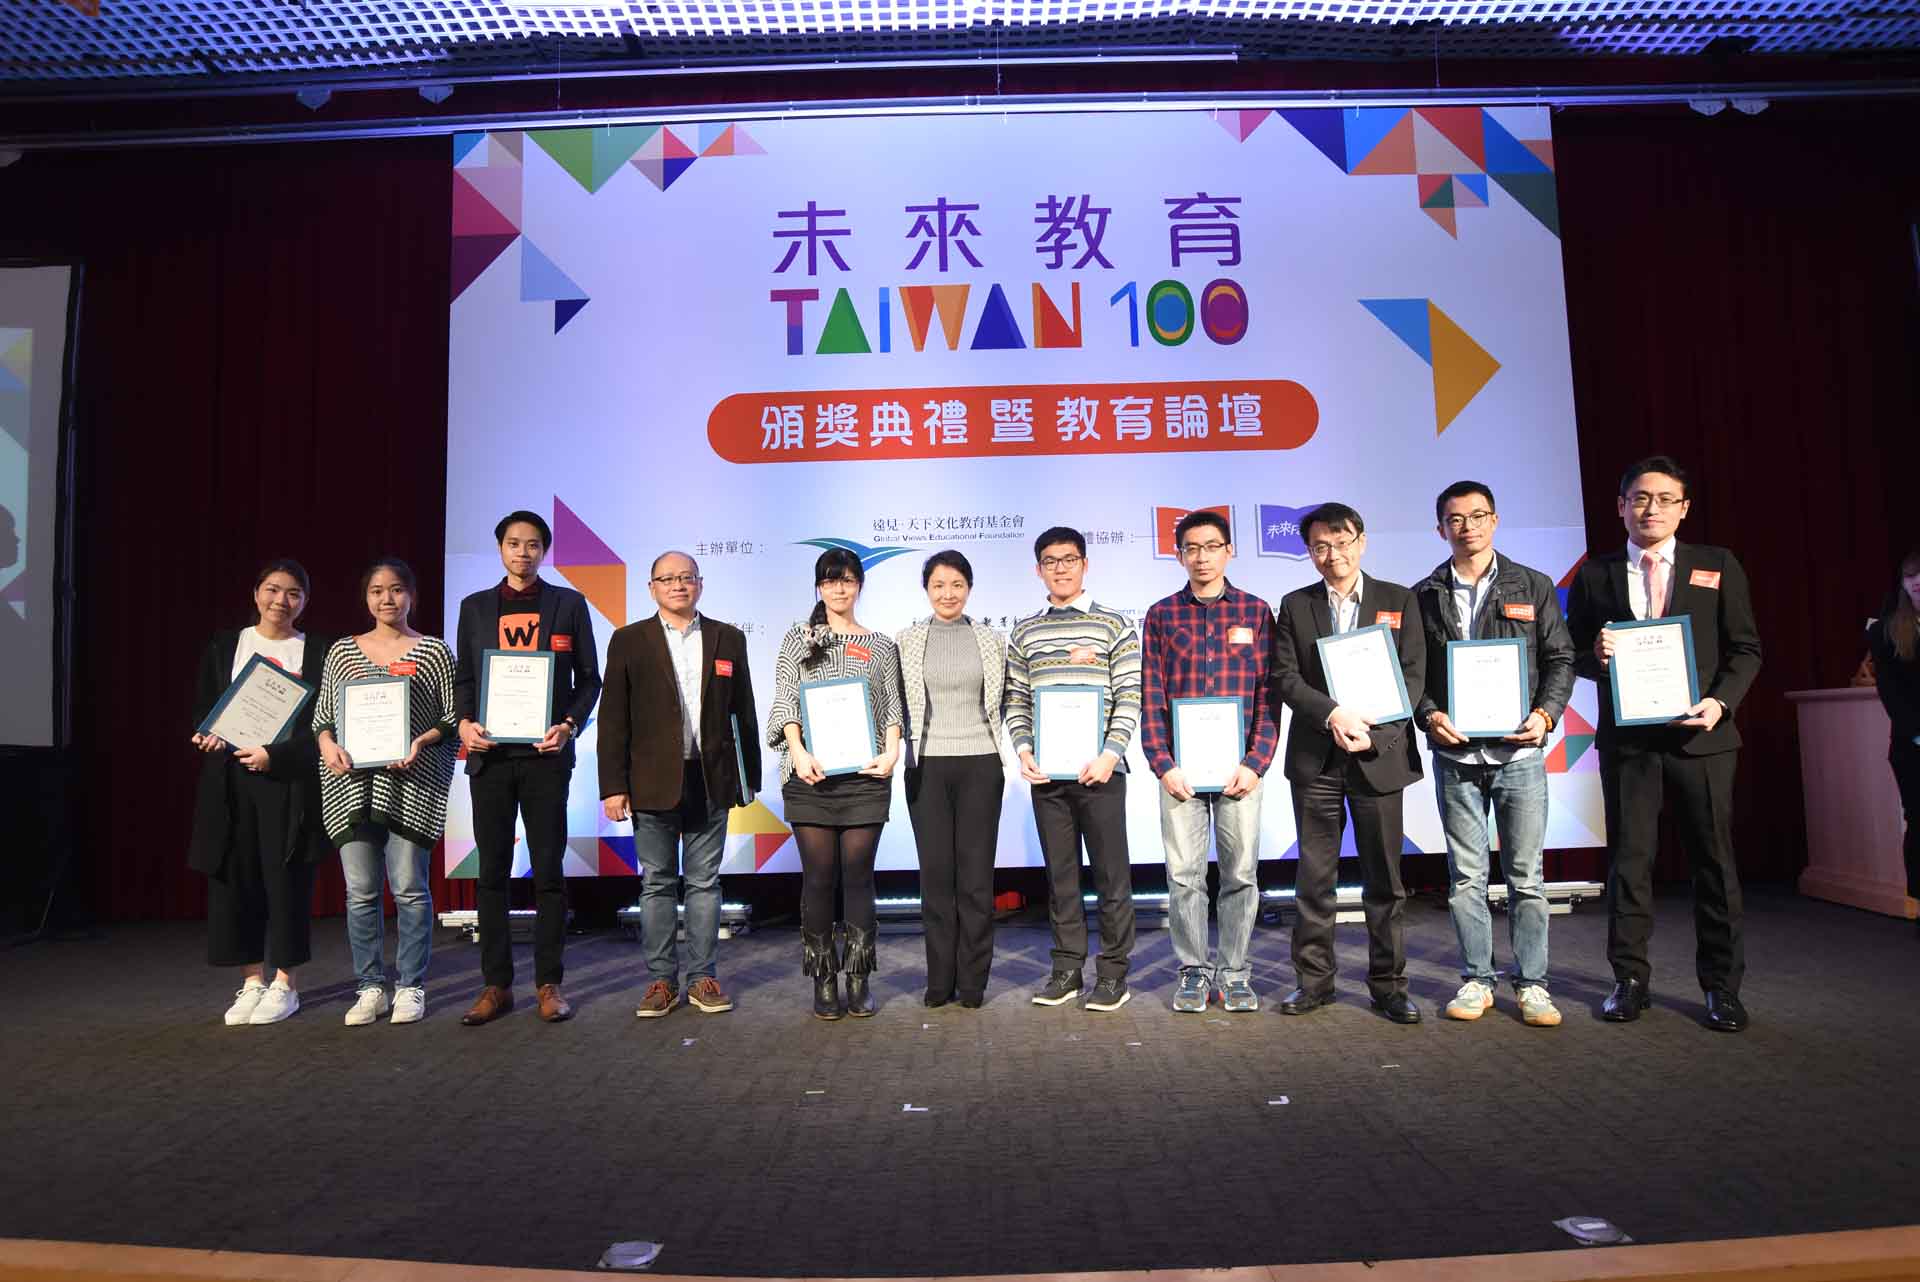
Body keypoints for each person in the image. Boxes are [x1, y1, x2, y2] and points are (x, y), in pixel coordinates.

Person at [1567, 456, 1762, 1032]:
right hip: (1630, 744)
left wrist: (1720, 703)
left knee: (1714, 863)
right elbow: (1571, 653)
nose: (1651, 509)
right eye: (1640, 498)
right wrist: (1593, 657)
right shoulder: (1596, 574)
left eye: (1664, 499)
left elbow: (1745, 648)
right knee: (1629, 863)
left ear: (1684, 508)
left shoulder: (1716, 564)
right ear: (1621, 506)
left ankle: (1722, 987)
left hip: (1703, 739)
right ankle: (1629, 981)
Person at [1413, 482, 1576, 1027]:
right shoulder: (1423, 594)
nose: (1468, 527)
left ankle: (1533, 985)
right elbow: (1413, 673)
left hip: (1519, 755)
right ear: (1440, 528)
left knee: (1526, 876)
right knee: (1466, 878)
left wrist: (1546, 714)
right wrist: (1430, 715)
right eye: (1456, 519)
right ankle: (1477, 979)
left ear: (1496, 521)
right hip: (1456, 757)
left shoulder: (1533, 584)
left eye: (1478, 516)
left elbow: (1560, 658)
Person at [1270, 502, 1426, 1024]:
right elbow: (1285, 677)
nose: (1332, 554)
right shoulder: (1296, 605)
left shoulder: (1398, 599)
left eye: (1341, 542)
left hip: (1377, 757)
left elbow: (1413, 675)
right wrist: (1333, 714)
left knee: (1385, 880)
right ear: (1309, 552)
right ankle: (1314, 982)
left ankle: (1389, 985)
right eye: (1320, 546)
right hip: (1316, 759)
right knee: (1315, 880)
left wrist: (1372, 734)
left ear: (1361, 541)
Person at [452, 510, 602, 1026]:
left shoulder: (569, 604)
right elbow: (465, 677)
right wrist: (464, 723)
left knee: (549, 873)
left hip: (546, 758)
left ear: (545, 550)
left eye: (533, 544)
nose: (523, 552)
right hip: (490, 758)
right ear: (501, 549)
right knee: (491, 873)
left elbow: (590, 680)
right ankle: (495, 985)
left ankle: (548, 984)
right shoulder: (474, 607)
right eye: (514, 543)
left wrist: (568, 725)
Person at [600, 550, 761, 1018]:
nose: (678, 585)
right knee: (657, 883)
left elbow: (744, 712)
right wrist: (613, 785)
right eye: (667, 578)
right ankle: (660, 981)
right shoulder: (629, 640)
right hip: (650, 782)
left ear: (700, 584)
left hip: (711, 779)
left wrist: (747, 779)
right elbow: (613, 718)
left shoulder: (728, 637)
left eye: (686, 577)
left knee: (705, 883)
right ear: (651, 587)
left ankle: (703, 977)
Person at [1139, 510, 1277, 1014]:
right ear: (1179, 555)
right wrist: (1163, 763)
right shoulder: (1161, 615)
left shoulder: (1256, 611)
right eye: (1192, 548)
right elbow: (1151, 694)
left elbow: (1269, 695)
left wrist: (1256, 761)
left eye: (1212, 546)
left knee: (1240, 875)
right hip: (1180, 772)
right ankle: (1194, 972)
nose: (1202, 557)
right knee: (1184, 877)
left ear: (1228, 551)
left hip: (1241, 769)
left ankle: (1236, 973)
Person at [312, 558, 458, 1026]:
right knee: (360, 892)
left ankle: (410, 985)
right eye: (377, 590)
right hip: (351, 787)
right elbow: (323, 718)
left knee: (410, 889)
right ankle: (370, 987)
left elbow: (452, 716)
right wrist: (328, 745)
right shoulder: (342, 651)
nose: (387, 599)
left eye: (396, 589)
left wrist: (419, 742)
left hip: (411, 787)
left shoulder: (433, 651)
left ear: (411, 595)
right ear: (366, 597)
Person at [187, 559, 332, 1025]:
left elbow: (323, 726)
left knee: (287, 882)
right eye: (272, 589)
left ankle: (285, 984)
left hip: (288, 783)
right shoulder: (226, 644)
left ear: (305, 601)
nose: (280, 601)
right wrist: (207, 735)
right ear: (255, 594)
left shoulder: (319, 651)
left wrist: (276, 756)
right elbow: (206, 709)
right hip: (230, 782)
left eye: (293, 593)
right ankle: (251, 981)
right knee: (238, 879)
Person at [1005, 526, 1142, 1013]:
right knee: (1060, 879)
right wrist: (1024, 751)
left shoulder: (1115, 625)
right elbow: (1016, 701)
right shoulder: (1024, 631)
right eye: (1050, 561)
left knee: (1111, 878)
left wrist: (1110, 754)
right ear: (1037, 569)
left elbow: (1130, 695)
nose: (1060, 568)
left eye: (1069, 559)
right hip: (1049, 778)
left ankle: (1113, 973)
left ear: (1085, 564)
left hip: (1101, 773)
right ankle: (1066, 970)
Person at [766, 548, 904, 1020]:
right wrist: (798, 750)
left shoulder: (882, 644)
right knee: (820, 876)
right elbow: (785, 699)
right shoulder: (799, 638)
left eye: (846, 580)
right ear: (819, 587)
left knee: (859, 874)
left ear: (859, 585)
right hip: (811, 776)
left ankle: (859, 976)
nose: (839, 588)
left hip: (865, 777)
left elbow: (892, 705)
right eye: (830, 581)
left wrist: (892, 751)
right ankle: (824, 978)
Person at [897, 550, 1008, 1009]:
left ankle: (973, 981)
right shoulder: (905, 640)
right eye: (939, 585)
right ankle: (940, 978)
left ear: (970, 588)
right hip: (927, 765)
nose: (948, 594)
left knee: (976, 880)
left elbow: (1007, 700)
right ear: (926, 589)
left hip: (981, 761)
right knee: (937, 878)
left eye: (957, 584)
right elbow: (894, 705)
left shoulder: (991, 639)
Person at [1864, 547, 1920, 938]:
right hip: (1912, 746)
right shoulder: (1886, 630)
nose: (1917, 584)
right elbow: (1891, 692)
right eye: (1910, 577)